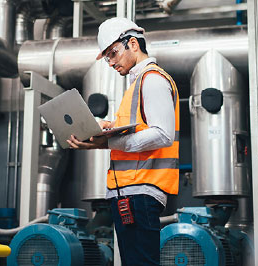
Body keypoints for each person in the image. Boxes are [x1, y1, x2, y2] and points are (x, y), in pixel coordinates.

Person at [67, 17, 179, 266]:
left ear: (133, 44)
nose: (111, 62)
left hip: (141, 191)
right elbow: (140, 130)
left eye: (113, 53)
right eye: (107, 57)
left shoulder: (152, 79)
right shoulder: (138, 83)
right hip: (131, 192)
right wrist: (108, 130)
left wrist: (107, 143)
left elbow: (162, 134)